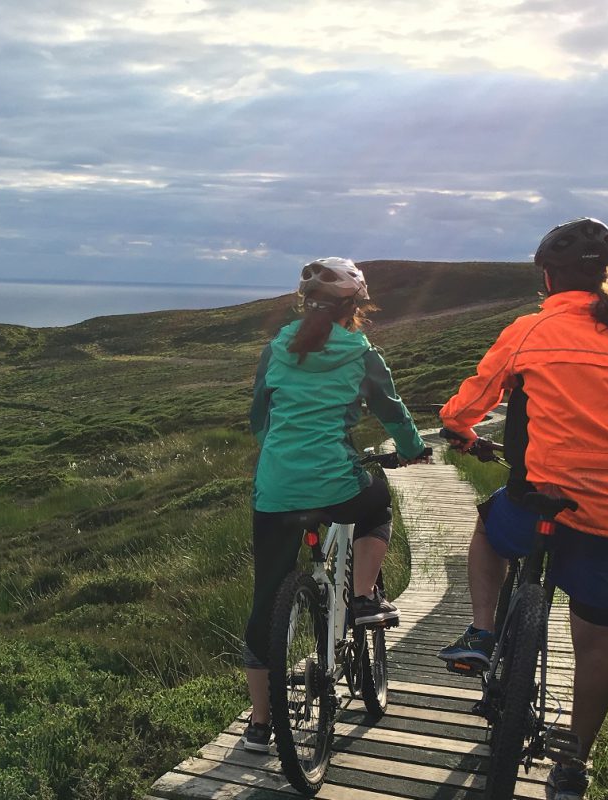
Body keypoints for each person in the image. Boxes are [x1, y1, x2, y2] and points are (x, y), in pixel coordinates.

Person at [436, 218, 608, 799]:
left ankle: (482, 634)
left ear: (547, 277)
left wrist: (459, 430)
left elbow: (468, 403)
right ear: (604, 275)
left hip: (537, 500)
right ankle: (574, 765)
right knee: (594, 641)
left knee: (488, 531)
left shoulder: (529, 330)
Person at [240, 257, 431, 753]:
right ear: (357, 308)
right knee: (377, 504)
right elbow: (392, 411)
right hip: (337, 486)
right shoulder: (361, 353)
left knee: (265, 603)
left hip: (277, 488)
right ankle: (364, 596)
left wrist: (280, 450)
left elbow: (259, 414)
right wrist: (411, 450)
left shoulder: (275, 348)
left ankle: (260, 725)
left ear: (305, 304)